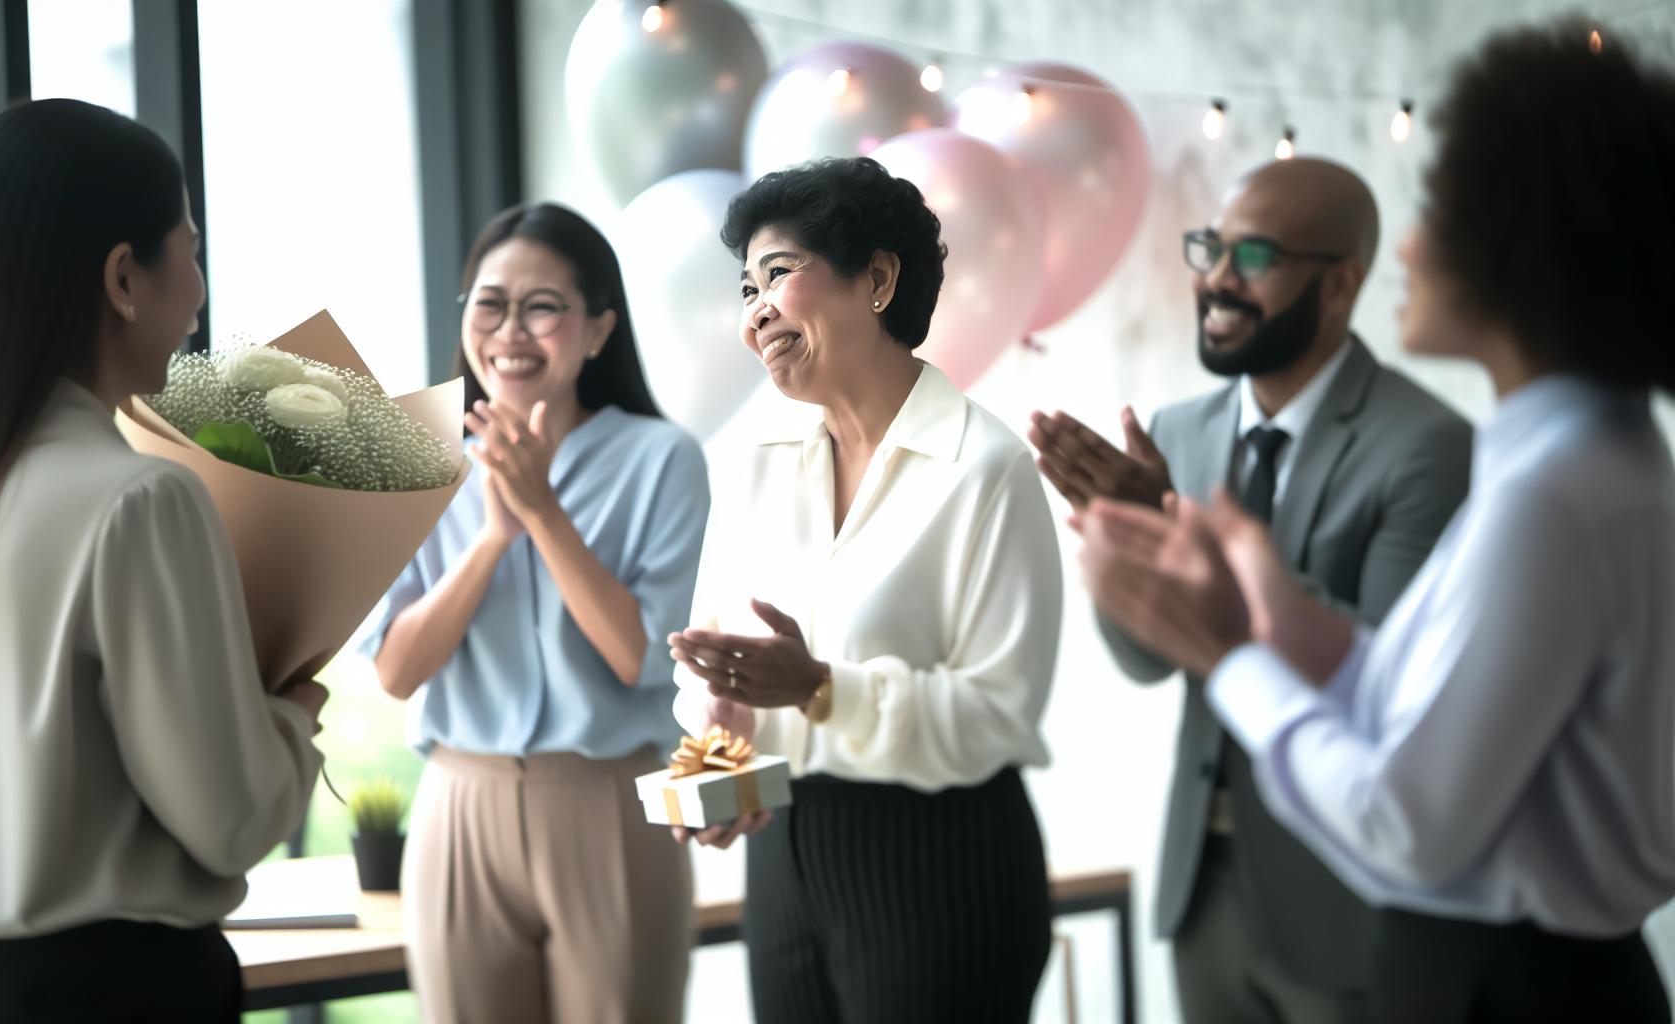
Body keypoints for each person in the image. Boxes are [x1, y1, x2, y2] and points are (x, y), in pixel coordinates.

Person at [1077, 20, 1675, 1023]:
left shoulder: (1548, 493)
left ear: (1521, 238)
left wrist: (1231, 653)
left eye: (1436, 206)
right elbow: (1425, 702)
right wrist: (1270, 604)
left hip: (1508, 985)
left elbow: (1408, 820)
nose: (1408, 241)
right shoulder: (1594, 456)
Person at [0, 99, 326, 1023]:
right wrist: (288, 716)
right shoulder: (139, 503)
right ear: (124, 276)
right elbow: (231, 821)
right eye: (188, 250)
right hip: (116, 994)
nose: (197, 293)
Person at [1030, 156, 1470, 1022]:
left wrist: (1170, 524)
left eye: (1256, 259)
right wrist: (1127, 544)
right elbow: (1146, 658)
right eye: (1211, 250)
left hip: (1348, 895)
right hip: (1205, 888)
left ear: (1341, 284)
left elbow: (1386, 674)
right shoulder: (1176, 433)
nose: (1218, 282)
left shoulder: (1427, 443)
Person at [667, 156, 1062, 1024]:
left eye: (779, 274)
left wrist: (816, 687)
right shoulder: (754, 465)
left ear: (877, 279)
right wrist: (718, 761)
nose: (755, 314)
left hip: (943, 860)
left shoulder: (985, 470)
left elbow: (999, 714)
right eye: (745, 290)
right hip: (784, 862)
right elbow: (714, 671)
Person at [361, 202, 706, 1024]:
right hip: (458, 803)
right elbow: (397, 670)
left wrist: (543, 513)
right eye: (491, 303)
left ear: (596, 330)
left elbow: (639, 657)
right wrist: (491, 540)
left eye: (543, 306)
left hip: (609, 801)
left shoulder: (661, 458)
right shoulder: (410, 454)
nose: (511, 330)